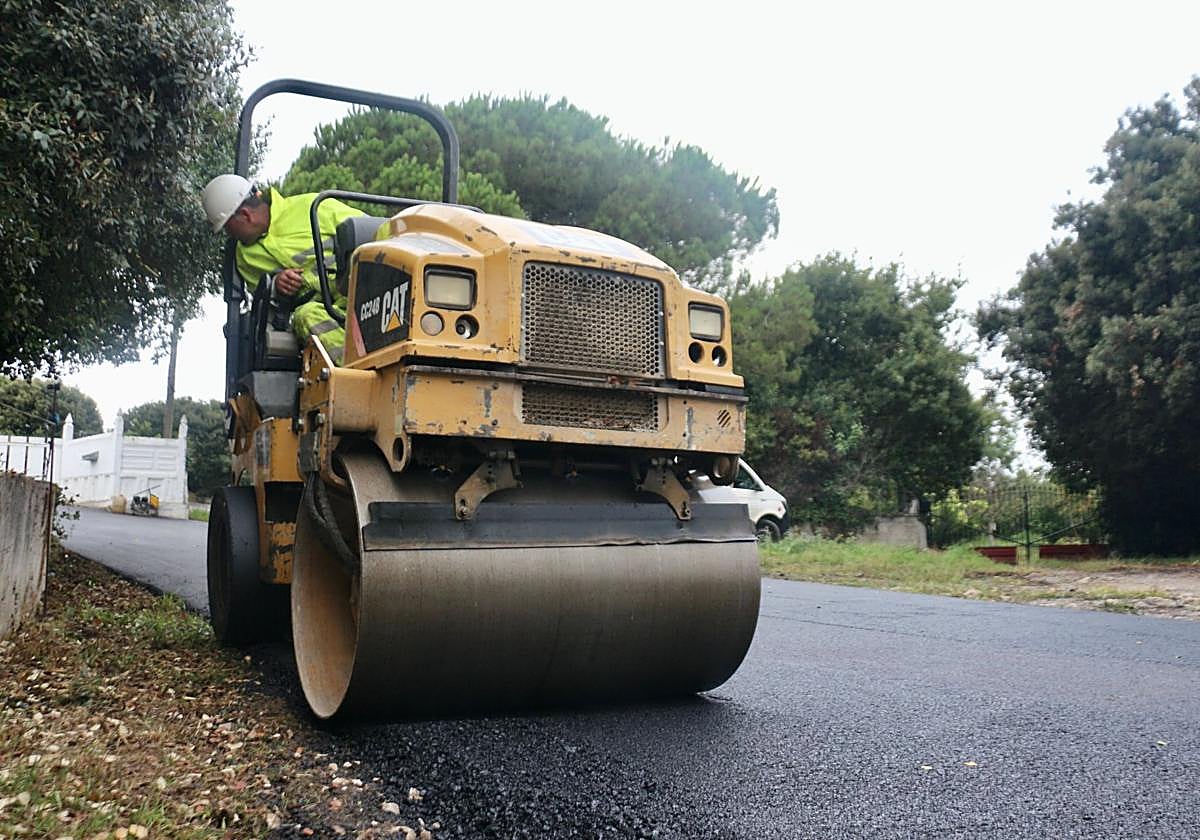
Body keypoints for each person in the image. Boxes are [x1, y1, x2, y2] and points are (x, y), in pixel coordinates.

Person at [201, 174, 363, 364]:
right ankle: (357, 368)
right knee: (305, 316)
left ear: (245, 215)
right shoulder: (245, 259)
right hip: (326, 313)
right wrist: (277, 284)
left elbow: (375, 232)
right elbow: (266, 305)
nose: (230, 236)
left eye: (229, 229)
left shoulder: (313, 206)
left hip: (361, 293)